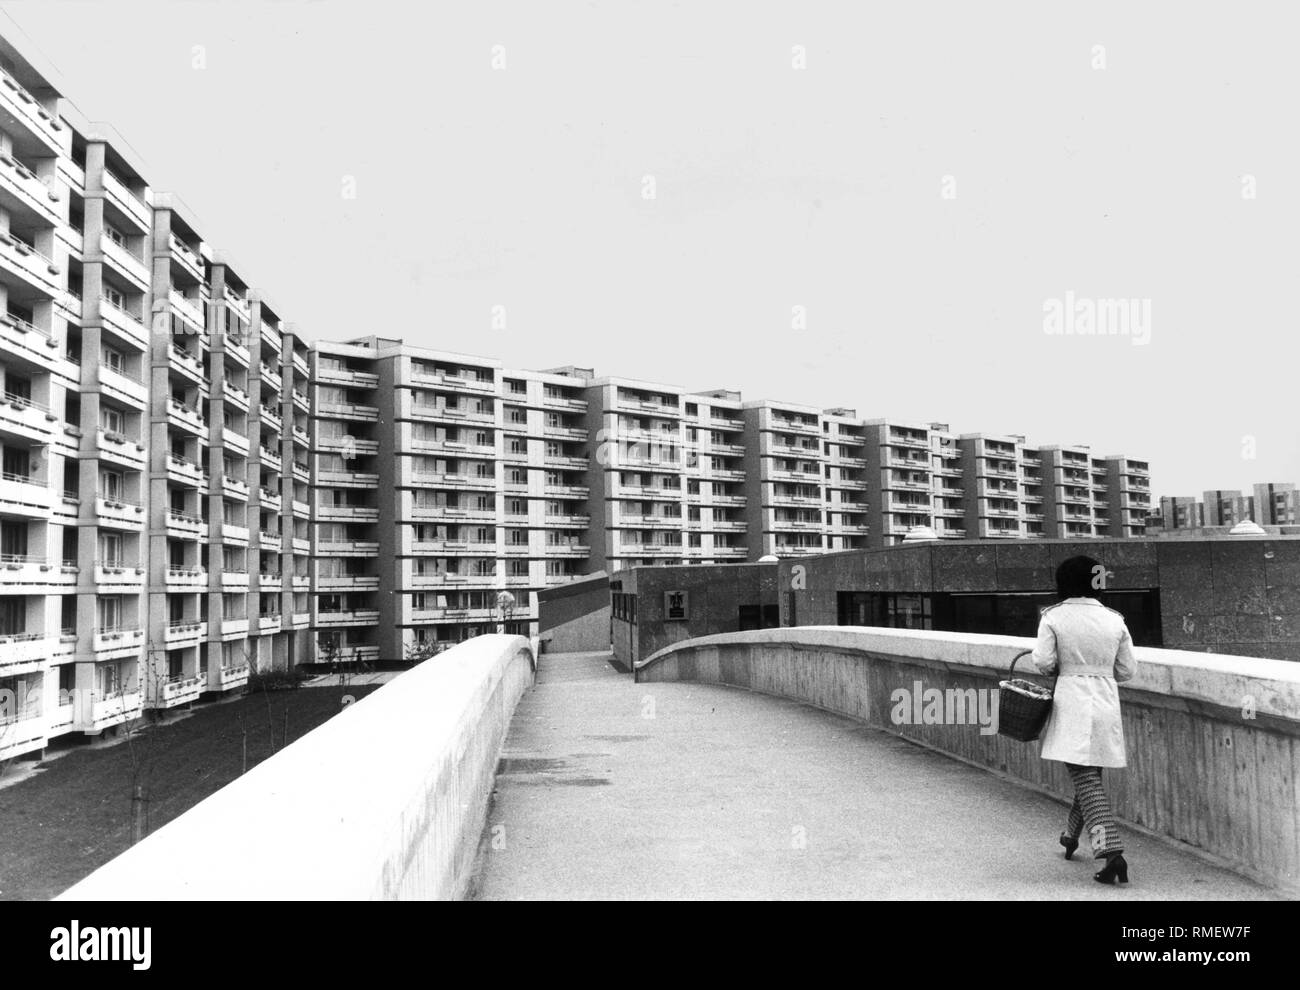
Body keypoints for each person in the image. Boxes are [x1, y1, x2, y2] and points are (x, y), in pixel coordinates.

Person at [1030, 555, 1138, 885]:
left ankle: (1111, 853)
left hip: (1072, 700)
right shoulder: (1115, 620)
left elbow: (1044, 663)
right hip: (1105, 700)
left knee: (1084, 776)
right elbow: (1127, 671)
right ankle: (1070, 835)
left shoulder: (1053, 617)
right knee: (1090, 774)